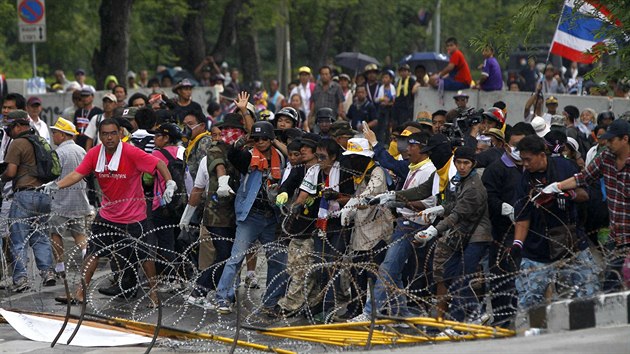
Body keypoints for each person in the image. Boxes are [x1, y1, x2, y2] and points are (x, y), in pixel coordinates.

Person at [47, 118, 176, 305]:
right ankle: (80, 293)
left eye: (113, 133)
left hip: (134, 215)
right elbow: (78, 173)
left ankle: (154, 296)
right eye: (105, 134)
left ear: (120, 134)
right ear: (100, 136)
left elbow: (159, 164)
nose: (109, 138)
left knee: (145, 257)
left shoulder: (131, 152)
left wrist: (169, 183)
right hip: (108, 213)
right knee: (93, 253)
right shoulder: (94, 154)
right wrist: (56, 185)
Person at [350, 132, 436, 322]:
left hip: (414, 224)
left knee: (388, 268)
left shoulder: (428, 171)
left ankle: (370, 312)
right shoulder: (415, 167)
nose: (407, 149)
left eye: (412, 145)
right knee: (393, 270)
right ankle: (401, 312)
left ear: (422, 148)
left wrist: (398, 201)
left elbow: (428, 204)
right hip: (404, 223)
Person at [509, 135, 599, 310]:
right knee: (528, 302)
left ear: (542, 155)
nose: (525, 164)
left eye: (528, 160)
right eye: (522, 160)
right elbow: (523, 216)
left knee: (588, 294)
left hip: (571, 244)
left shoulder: (565, 167)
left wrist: (566, 194)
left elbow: (585, 194)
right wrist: (517, 244)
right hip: (537, 249)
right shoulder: (524, 180)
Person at [542, 119, 629, 292]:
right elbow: (582, 178)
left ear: (625, 139)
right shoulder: (606, 158)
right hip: (617, 239)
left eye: (612, 140)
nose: (607, 143)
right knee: (609, 291)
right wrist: (557, 186)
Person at [213, 121, 288, 315]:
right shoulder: (248, 156)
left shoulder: (280, 157)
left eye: (264, 138)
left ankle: (271, 301)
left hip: (273, 217)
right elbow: (233, 156)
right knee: (235, 258)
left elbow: (295, 163)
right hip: (250, 216)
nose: (261, 142)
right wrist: (240, 142)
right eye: (257, 139)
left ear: (271, 139)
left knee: (278, 260)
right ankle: (223, 297)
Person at [481, 122, 535, 328]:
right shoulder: (497, 169)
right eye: (515, 145)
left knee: (524, 281)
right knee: (501, 280)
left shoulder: (533, 168)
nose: (518, 150)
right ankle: (503, 321)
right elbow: (488, 196)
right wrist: (503, 207)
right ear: (506, 145)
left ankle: (525, 320)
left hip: (530, 235)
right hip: (503, 234)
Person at [1, 110, 56, 292]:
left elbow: (10, 172)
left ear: (18, 126)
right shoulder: (38, 139)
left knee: (18, 238)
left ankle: (21, 278)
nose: (8, 132)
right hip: (43, 195)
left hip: (24, 195)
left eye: (10, 127)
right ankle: (48, 272)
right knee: (40, 236)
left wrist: (2, 178)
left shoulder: (18, 143)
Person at [340, 138, 394, 319]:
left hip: (377, 231)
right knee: (358, 272)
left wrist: (350, 206)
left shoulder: (376, 172)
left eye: (356, 157)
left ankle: (375, 310)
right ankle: (356, 308)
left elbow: (368, 194)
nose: (353, 160)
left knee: (372, 272)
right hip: (361, 230)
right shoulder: (360, 173)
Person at [48, 117, 90, 277]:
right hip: (79, 199)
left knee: (56, 233)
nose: (53, 135)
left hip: (61, 200)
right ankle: (87, 257)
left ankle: (59, 266)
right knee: (79, 233)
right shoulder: (81, 150)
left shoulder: (58, 153)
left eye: (56, 133)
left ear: (64, 135)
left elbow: (53, 176)